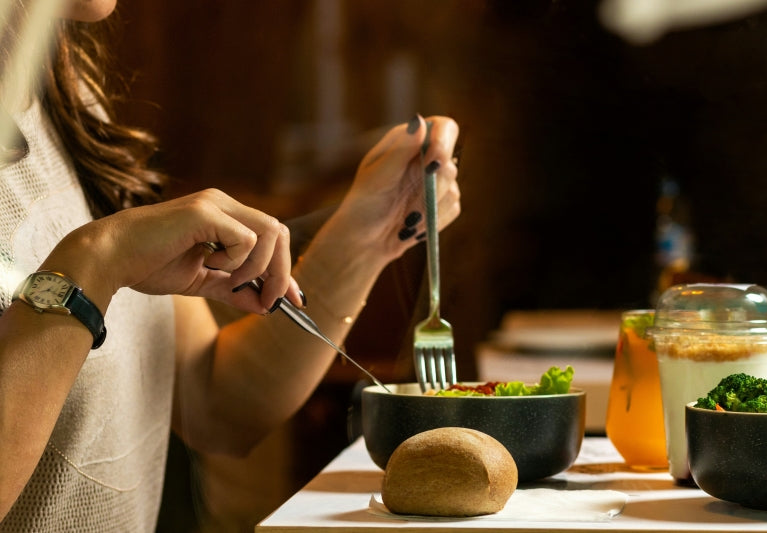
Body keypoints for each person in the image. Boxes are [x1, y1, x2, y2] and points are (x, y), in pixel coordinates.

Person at [0, 0, 461, 531]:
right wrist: (94, 264)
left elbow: (214, 399)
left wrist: (368, 234)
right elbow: (96, 264)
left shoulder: (62, 97)